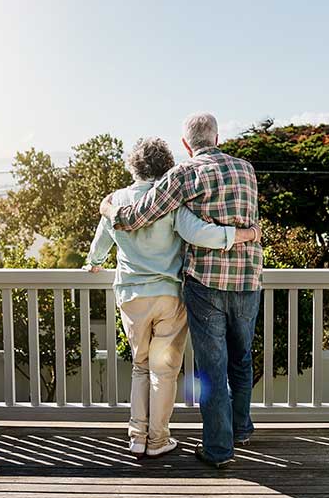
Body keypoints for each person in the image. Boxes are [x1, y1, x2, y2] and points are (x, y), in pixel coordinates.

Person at [100, 113, 262, 469]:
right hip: (248, 280)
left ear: (187, 145)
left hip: (204, 283)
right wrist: (245, 235)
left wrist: (109, 208)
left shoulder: (184, 174)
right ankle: (241, 429)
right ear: (217, 138)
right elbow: (249, 217)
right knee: (242, 358)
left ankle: (219, 450)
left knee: (211, 368)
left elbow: (139, 215)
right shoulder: (246, 169)